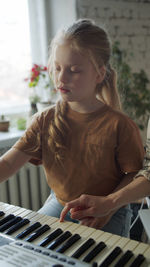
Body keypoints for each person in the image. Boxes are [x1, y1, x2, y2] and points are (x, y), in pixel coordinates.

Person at [0, 19, 144, 238]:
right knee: (25, 247)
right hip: (59, 206)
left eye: (74, 70)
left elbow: (134, 174)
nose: (61, 78)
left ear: (98, 74)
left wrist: (110, 206)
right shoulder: (44, 120)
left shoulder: (120, 125)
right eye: (57, 68)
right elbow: (9, 163)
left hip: (108, 213)